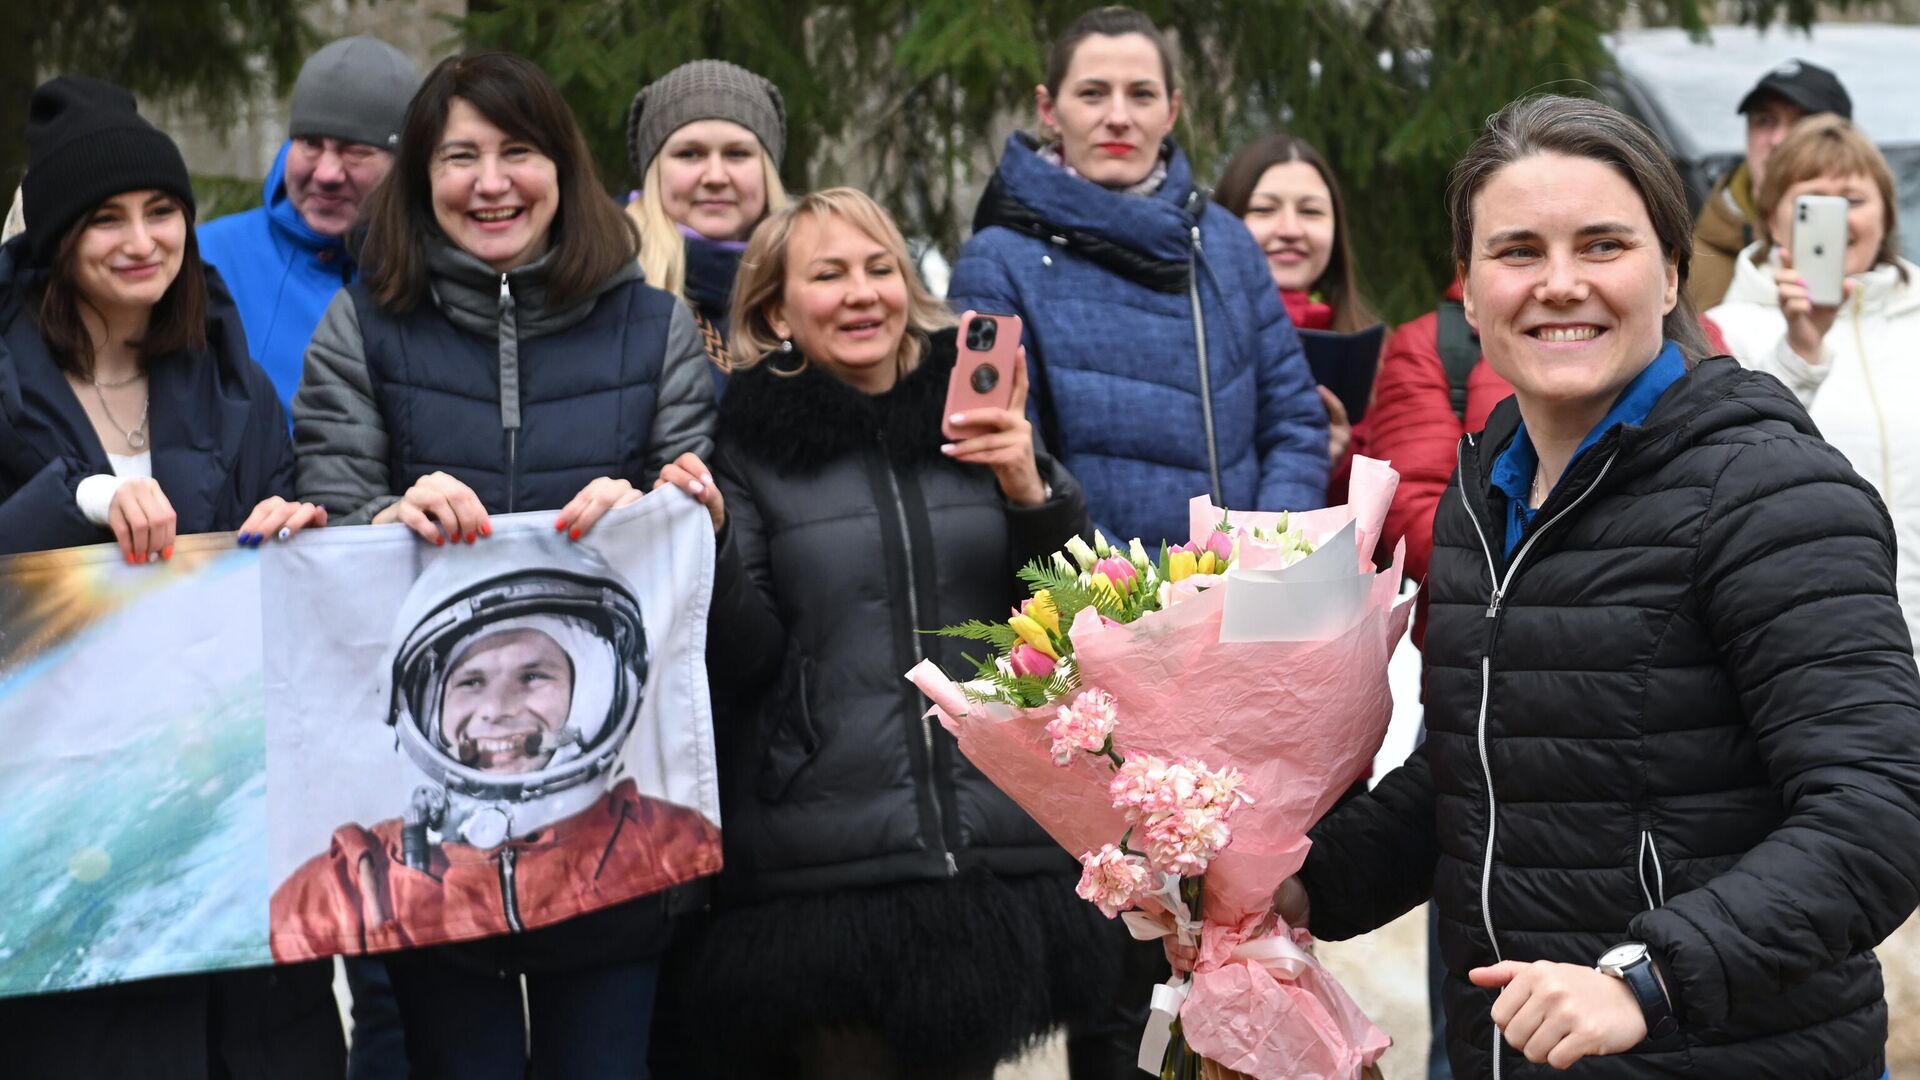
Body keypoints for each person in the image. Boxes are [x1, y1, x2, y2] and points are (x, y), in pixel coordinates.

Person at [1282, 94, 1920, 1080]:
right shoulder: (1479, 495)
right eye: (1520, 250)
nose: (1561, 284)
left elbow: (1877, 813)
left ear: (1671, 274)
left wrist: (1645, 980)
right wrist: (1293, 886)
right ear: (1471, 287)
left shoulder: (1773, 491)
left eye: (1604, 245)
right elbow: (1475, 780)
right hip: (1519, 1056)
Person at [291, 51, 715, 1079]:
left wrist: (673, 513)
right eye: (459, 156)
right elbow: (329, 513)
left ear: (562, 167)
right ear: (420, 178)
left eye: (517, 152)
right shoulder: (361, 329)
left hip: (617, 829)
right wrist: (382, 515)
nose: (491, 182)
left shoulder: (656, 331)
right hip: (432, 835)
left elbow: (711, 567)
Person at [648, 187, 1112, 1079]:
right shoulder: (746, 446)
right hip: (822, 874)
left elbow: (1074, 618)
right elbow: (747, 660)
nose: (862, 293)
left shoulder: (981, 413)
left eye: (880, 269)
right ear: (777, 310)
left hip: (986, 856)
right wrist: (708, 543)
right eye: (828, 275)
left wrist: (1031, 490)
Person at [0, 75, 339, 1078]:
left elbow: (277, 552)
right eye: (106, 218)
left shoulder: (230, 375)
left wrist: (293, 529)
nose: (142, 240)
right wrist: (80, 501)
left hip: (227, 833)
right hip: (62, 849)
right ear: (58, 238)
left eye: (162, 212)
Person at [947, 5, 1328, 551]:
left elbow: (1294, 421)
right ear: (1048, 109)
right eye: (1093, 93)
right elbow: (1005, 460)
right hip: (1089, 609)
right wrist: (1134, 594)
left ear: (1171, 111)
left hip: (1247, 600)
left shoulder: (1225, 243)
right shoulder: (996, 262)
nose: (1119, 116)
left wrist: (1264, 555)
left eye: (1142, 95)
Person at [270, 536, 723, 959]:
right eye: (471, 681)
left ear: (590, 694)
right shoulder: (362, 879)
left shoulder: (669, 840)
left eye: (532, 676)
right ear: (425, 710)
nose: (498, 708)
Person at [1707, 113, 1920, 647]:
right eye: (1813, 203)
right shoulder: (1729, 330)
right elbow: (1733, 473)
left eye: (1853, 200)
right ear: (1775, 222)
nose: (1838, 220)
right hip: (1814, 641)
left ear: (1887, 214)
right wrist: (1799, 351)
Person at [196, 36, 419, 414]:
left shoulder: (433, 270)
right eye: (310, 143)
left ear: (404, 163)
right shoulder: (206, 258)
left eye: (356, 150)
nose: (327, 173)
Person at [1214, 131, 1380, 501]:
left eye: (1310, 211)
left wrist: (1337, 463)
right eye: (1263, 210)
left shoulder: (1379, 355)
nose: (1289, 230)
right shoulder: (1191, 336)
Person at [625, 59, 788, 389]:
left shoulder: (816, 284)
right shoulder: (606, 288)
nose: (715, 177)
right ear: (654, 171)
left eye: (737, 154)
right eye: (689, 154)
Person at [1689, 59, 1851, 310]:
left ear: (1841, 141)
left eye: (1801, 123)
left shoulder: (1872, 260)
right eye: (1764, 120)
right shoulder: (1686, 266)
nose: (1777, 139)